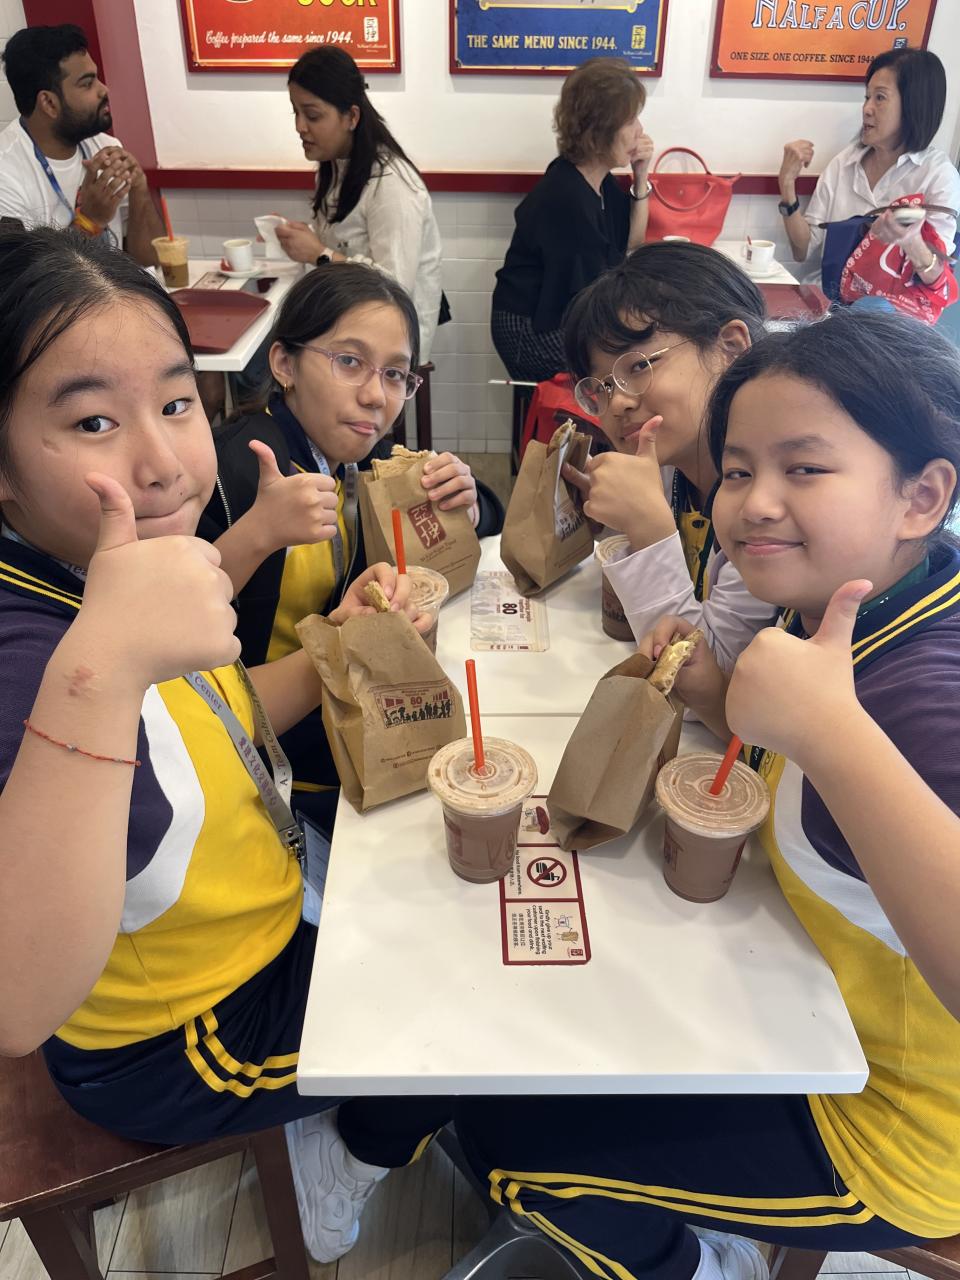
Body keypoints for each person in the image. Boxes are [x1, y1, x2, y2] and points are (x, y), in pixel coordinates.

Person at [454, 307, 960, 1280]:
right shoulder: (846, 602)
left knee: (509, 1145)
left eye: (804, 468)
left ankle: (695, 1265)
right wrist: (713, 689)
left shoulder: (925, 693)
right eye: (736, 470)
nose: (756, 503)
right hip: (788, 989)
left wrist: (835, 734)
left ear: (922, 495)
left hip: (878, 1120)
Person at [0, 227, 450, 1265]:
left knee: (441, 907)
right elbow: (19, 1001)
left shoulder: (101, 565)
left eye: (175, 404)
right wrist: (99, 669)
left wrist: (346, 641)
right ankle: (344, 1169)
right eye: (93, 420)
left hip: (259, 907)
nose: (163, 464)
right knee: (465, 1019)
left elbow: (219, 710)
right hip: (187, 1033)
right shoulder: (32, 656)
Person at [200, 261, 503, 836]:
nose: (375, 396)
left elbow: (489, 517)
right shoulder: (233, 473)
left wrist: (467, 502)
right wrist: (258, 533)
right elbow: (178, 659)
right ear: (284, 363)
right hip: (275, 766)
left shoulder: (360, 456)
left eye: (396, 375)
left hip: (354, 716)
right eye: (349, 362)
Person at [559, 242, 777, 669]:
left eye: (638, 366)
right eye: (601, 387)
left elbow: (709, 674)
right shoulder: (668, 467)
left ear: (731, 348)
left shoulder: (767, 502)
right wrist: (603, 522)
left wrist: (647, 529)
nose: (617, 403)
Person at [272, 46, 444, 362]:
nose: (300, 127)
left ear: (351, 117)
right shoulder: (335, 168)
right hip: (349, 318)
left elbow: (394, 287)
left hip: (390, 340)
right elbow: (348, 241)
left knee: (274, 360)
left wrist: (318, 253)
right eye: (295, 112)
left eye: (312, 115)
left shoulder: (391, 183)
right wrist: (303, 237)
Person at [491, 56, 654, 384]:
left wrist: (641, 176)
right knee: (624, 367)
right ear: (599, 132)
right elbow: (584, 304)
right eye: (630, 121)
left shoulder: (600, 182)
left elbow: (632, 243)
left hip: (555, 316)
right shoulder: (567, 196)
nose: (640, 130)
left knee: (639, 352)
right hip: (530, 329)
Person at [777, 47, 960, 297]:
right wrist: (787, 184)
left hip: (888, 315)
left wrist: (911, 242)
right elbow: (802, 251)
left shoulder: (938, 176)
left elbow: (939, 282)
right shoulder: (845, 163)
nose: (866, 108)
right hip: (829, 304)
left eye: (880, 98)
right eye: (867, 97)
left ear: (913, 105)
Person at [0, 24, 163, 266]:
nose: (104, 89)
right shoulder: (6, 174)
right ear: (49, 103)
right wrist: (89, 222)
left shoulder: (105, 146)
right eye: (87, 83)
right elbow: (20, 281)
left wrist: (139, 188)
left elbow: (150, 261)